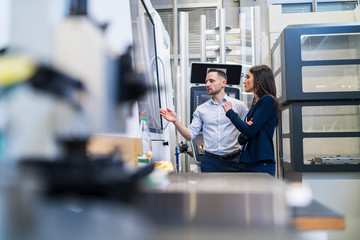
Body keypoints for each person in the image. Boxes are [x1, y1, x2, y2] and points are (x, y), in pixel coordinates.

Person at [160, 68, 248, 172]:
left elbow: (247, 131)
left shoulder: (239, 106)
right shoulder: (201, 109)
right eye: (206, 81)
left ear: (223, 83)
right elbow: (190, 135)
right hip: (210, 162)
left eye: (211, 81)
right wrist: (176, 121)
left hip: (234, 161)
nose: (207, 84)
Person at [222, 65, 281, 176]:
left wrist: (230, 112)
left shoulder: (267, 100)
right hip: (250, 162)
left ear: (258, 80)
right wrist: (247, 130)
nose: (244, 81)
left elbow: (249, 131)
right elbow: (241, 139)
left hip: (260, 163)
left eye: (248, 77)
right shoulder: (255, 105)